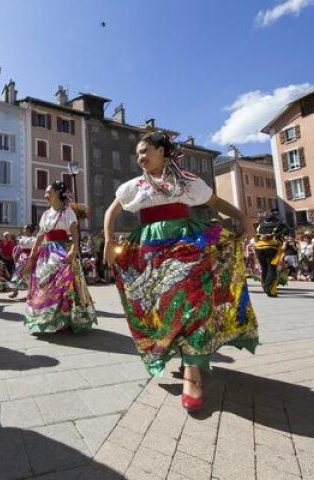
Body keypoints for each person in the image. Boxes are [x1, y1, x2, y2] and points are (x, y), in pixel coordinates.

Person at [103, 131, 258, 413]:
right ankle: (168, 344)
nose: (140, 158)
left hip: (187, 243)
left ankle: (193, 371)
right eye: (137, 154)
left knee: (190, 297)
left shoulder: (187, 181)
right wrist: (108, 241)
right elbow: (111, 212)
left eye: (145, 151)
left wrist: (243, 220)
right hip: (149, 250)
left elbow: (216, 203)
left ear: (162, 151)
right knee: (159, 305)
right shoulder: (135, 185)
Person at [25, 181, 97, 333]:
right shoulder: (45, 214)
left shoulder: (67, 212)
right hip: (46, 252)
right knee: (44, 282)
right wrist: (32, 254)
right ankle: (48, 317)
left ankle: (67, 318)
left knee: (66, 283)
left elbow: (75, 232)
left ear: (57, 193)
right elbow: (40, 235)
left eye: (48, 192)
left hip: (61, 250)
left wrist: (73, 251)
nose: (45, 195)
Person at [253, 210, 289, 297]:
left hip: (258, 247)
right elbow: (286, 234)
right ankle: (268, 288)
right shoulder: (279, 224)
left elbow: (255, 236)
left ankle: (265, 286)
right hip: (272, 247)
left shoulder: (260, 225)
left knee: (264, 268)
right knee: (272, 268)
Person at [9, 224, 36, 299]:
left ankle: (30, 294)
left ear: (29, 230)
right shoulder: (20, 238)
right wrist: (15, 257)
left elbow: (35, 248)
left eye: (25, 229)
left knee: (29, 276)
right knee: (18, 274)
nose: (24, 230)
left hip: (30, 257)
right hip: (22, 257)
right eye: (24, 229)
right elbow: (18, 248)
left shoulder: (34, 239)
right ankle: (15, 292)